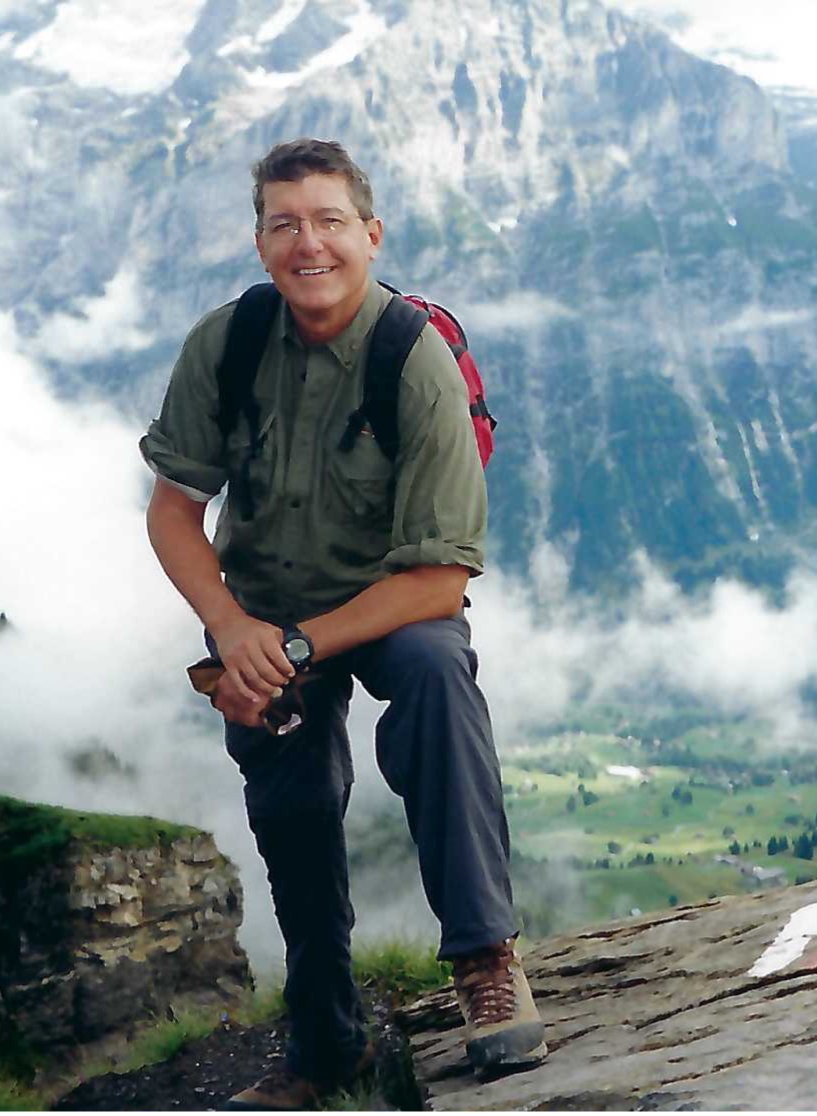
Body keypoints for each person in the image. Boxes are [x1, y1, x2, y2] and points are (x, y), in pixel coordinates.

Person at [141, 137, 544, 1110]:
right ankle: (326, 1045)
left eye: (329, 221)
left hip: (391, 602)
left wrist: (298, 645)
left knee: (439, 681)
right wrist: (230, 627)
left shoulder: (413, 356)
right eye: (285, 224)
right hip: (265, 607)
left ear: (371, 234)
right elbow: (173, 510)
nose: (307, 243)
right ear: (260, 243)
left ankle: (486, 960)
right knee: (293, 803)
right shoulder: (227, 345)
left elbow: (441, 581)